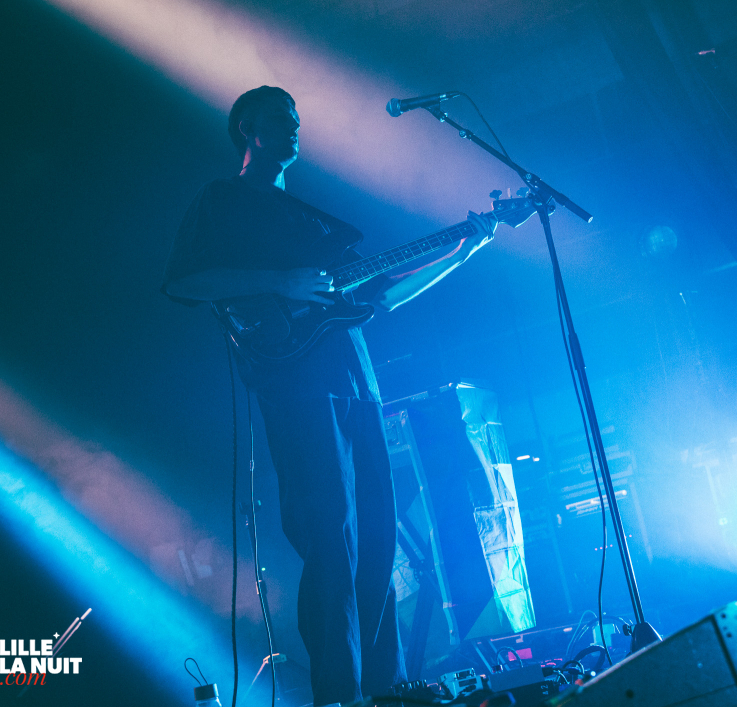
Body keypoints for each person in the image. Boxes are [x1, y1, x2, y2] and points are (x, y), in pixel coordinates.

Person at [162, 85, 496, 705]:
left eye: (296, 119)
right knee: (331, 537)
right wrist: (281, 281)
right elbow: (185, 280)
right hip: (296, 386)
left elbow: (381, 295)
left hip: (357, 385)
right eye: (279, 119)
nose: (294, 128)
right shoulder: (224, 199)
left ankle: (387, 689)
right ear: (248, 129)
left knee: (379, 541)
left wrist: (462, 249)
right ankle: (339, 695)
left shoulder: (314, 220)